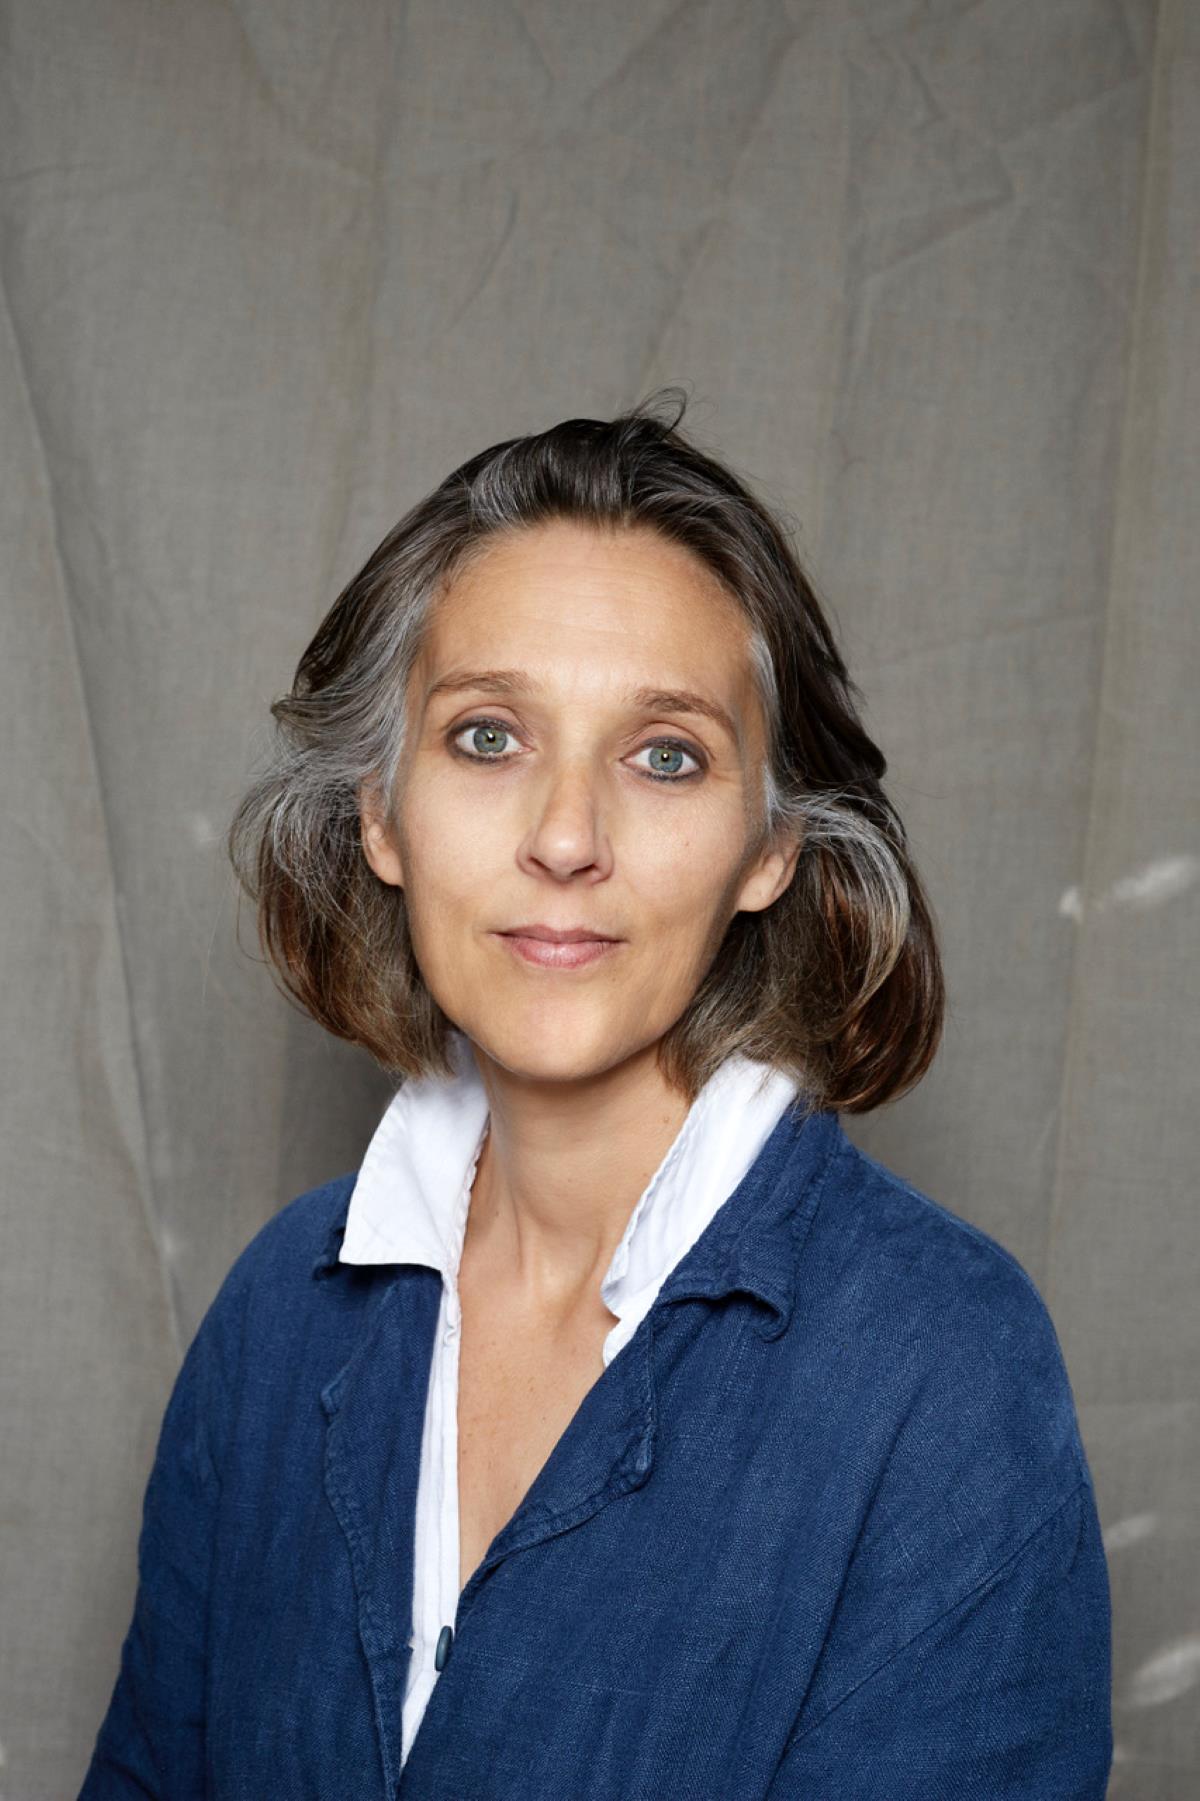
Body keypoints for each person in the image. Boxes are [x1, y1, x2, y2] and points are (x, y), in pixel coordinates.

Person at [79, 390, 1113, 1798]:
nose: (566, 837)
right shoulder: (274, 1317)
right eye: (487, 737)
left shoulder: (945, 1374)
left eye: (665, 755)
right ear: (381, 813)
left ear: (769, 847)